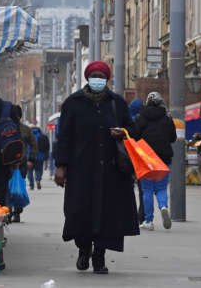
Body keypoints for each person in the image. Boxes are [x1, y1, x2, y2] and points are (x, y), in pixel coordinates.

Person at [54, 61, 139, 274]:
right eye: (95, 75)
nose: (98, 79)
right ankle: (84, 249)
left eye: (102, 76)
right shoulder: (73, 103)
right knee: (79, 212)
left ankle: (99, 256)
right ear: (88, 78)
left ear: (107, 79)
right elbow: (63, 137)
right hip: (81, 170)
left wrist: (123, 132)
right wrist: (61, 166)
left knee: (108, 214)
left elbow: (132, 130)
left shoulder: (117, 103)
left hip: (111, 171)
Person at [135, 91, 176, 231]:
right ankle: (163, 206)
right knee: (161, 188)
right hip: (163, 158)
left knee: (147, 190)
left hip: (146, 158)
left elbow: (135, 136)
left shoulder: (141, 117)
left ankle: (148, 221)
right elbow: (173, 138)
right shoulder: (167, 118)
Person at [11, 121, 38, 222]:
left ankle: (16, 211)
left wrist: (31, 159)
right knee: (10, 187)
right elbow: (34, 144)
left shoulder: (25, 129)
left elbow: (34, 144)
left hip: (19, 163)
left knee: (18, 187)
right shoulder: (7, 127)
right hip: (9, 163)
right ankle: (10, 211)